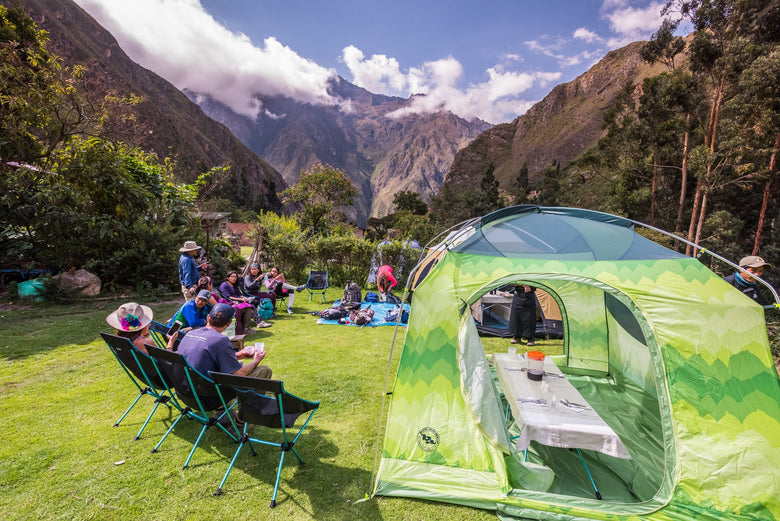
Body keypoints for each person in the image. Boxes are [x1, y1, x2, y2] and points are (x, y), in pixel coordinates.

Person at [176, 303, 271, 379]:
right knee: (264, 370)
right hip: (210, 395)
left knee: (237, 364)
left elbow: (206, 358)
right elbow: (238, 373)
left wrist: (238, 355)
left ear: (208, 317)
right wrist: (256, 361)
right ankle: (242, 402)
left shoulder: (190, 334)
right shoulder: (221, 340)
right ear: (229, 323)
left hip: (185, 391)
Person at [106, 302, 176, 354]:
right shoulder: (145, 343)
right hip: (162, 373)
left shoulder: (119, 342)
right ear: (144, 325)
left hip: (142, 373)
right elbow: (166, 364)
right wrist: (170, 344)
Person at [219, 270, 268, 334]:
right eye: (232, 276)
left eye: (235, 277)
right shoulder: (224, 285)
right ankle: (258, 322)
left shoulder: (234, 285)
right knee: (250, 305)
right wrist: (240, 299)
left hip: (239, 300)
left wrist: (243, 298)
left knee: (252, 301)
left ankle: (255, 322)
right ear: (227, 277)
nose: (234, 278)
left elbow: (239, 294)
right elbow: (228, 297)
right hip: (232, 302)